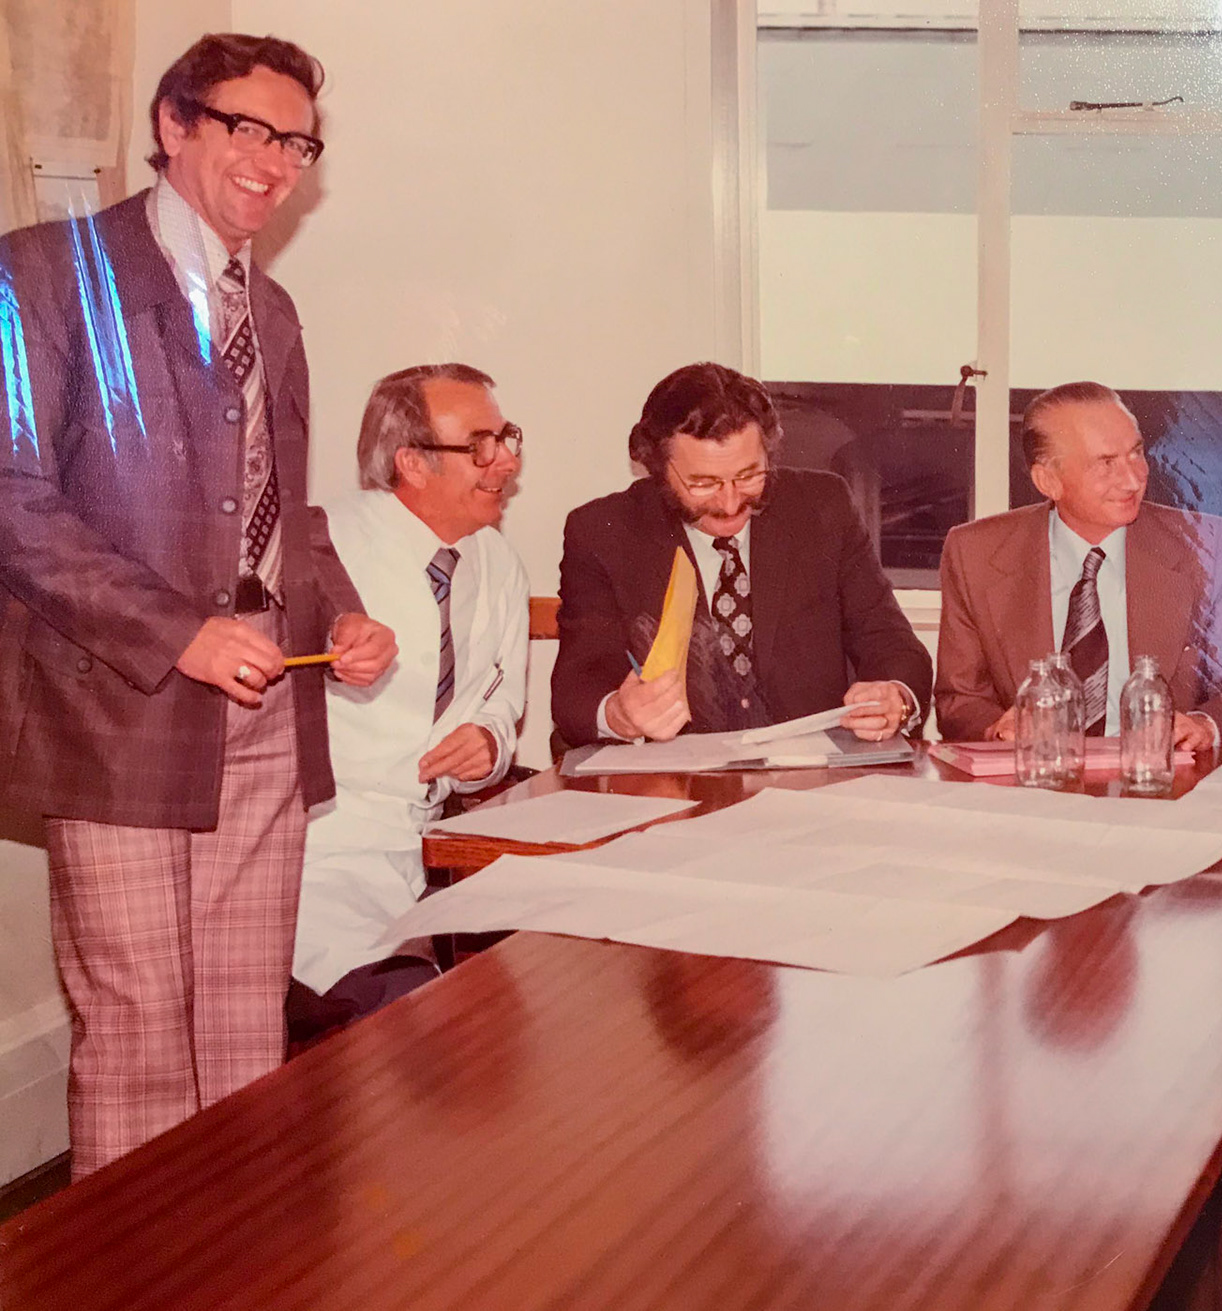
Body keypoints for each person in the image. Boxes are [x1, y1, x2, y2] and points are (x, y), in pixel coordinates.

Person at [0, 34, 396, 1175]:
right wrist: (177, 634)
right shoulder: (40, 273)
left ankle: (241, 1270)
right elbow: (14, 499)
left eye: (299, 142)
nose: (278, 162)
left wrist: (343, 617)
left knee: (239, 1026)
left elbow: (282, 514)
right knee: (136, 1033)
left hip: (272, 691)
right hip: (122, 707)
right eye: (250, 129)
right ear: (175, 126)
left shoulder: (270, 311)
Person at [291, 364, 530, 1026]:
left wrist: (489, 739)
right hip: (323, 854)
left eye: (506, 436)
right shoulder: (316, 544)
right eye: (481, 443)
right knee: (412, 1025)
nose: (505, 459)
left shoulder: (496, 561)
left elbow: (502, 696)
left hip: (433, 852)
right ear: (411, 464)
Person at [552, 362, 931, 747]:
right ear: (658, 469)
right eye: (703, 483)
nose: (731, 503)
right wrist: (619, 714)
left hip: (808, 780)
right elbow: (576, 687)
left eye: (749, 475)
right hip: (672, 787)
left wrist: (895, 698)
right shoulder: (602, 532)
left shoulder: (823, 508)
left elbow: (891, 642)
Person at [935, 382, 1222, 753]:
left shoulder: (1204, 545)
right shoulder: (975, 553)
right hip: (1036, 784)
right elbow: (958, 700)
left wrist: (1205, 725)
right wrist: (998, 727)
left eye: (1136, 453)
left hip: (1158, 785)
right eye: (1106, 463)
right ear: (1048, 480)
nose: (1133, 479)